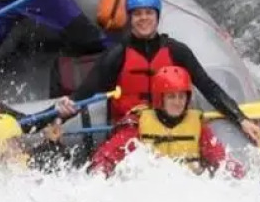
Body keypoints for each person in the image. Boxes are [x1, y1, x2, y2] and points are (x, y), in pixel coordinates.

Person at [54, 0, 260, 144]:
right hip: (130, 136)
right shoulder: (116, 56)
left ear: (157, 16)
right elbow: (84, 94)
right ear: (130, 18)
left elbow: (208, 86)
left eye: (148, 13)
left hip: (172, 128)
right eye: (137, 14)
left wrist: (241, 119)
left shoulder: (176, 51)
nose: (143, 18)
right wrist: (57, 120)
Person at [88, 66, 245, 177]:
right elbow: (106, 156)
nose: (178, 102)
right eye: (171, 97)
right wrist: (99, 174)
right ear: (160, 98)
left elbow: (220, 159)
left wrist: (240, 175)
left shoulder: (198, 127)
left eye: (181, 96)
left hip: (189, 189)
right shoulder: (137, 125)